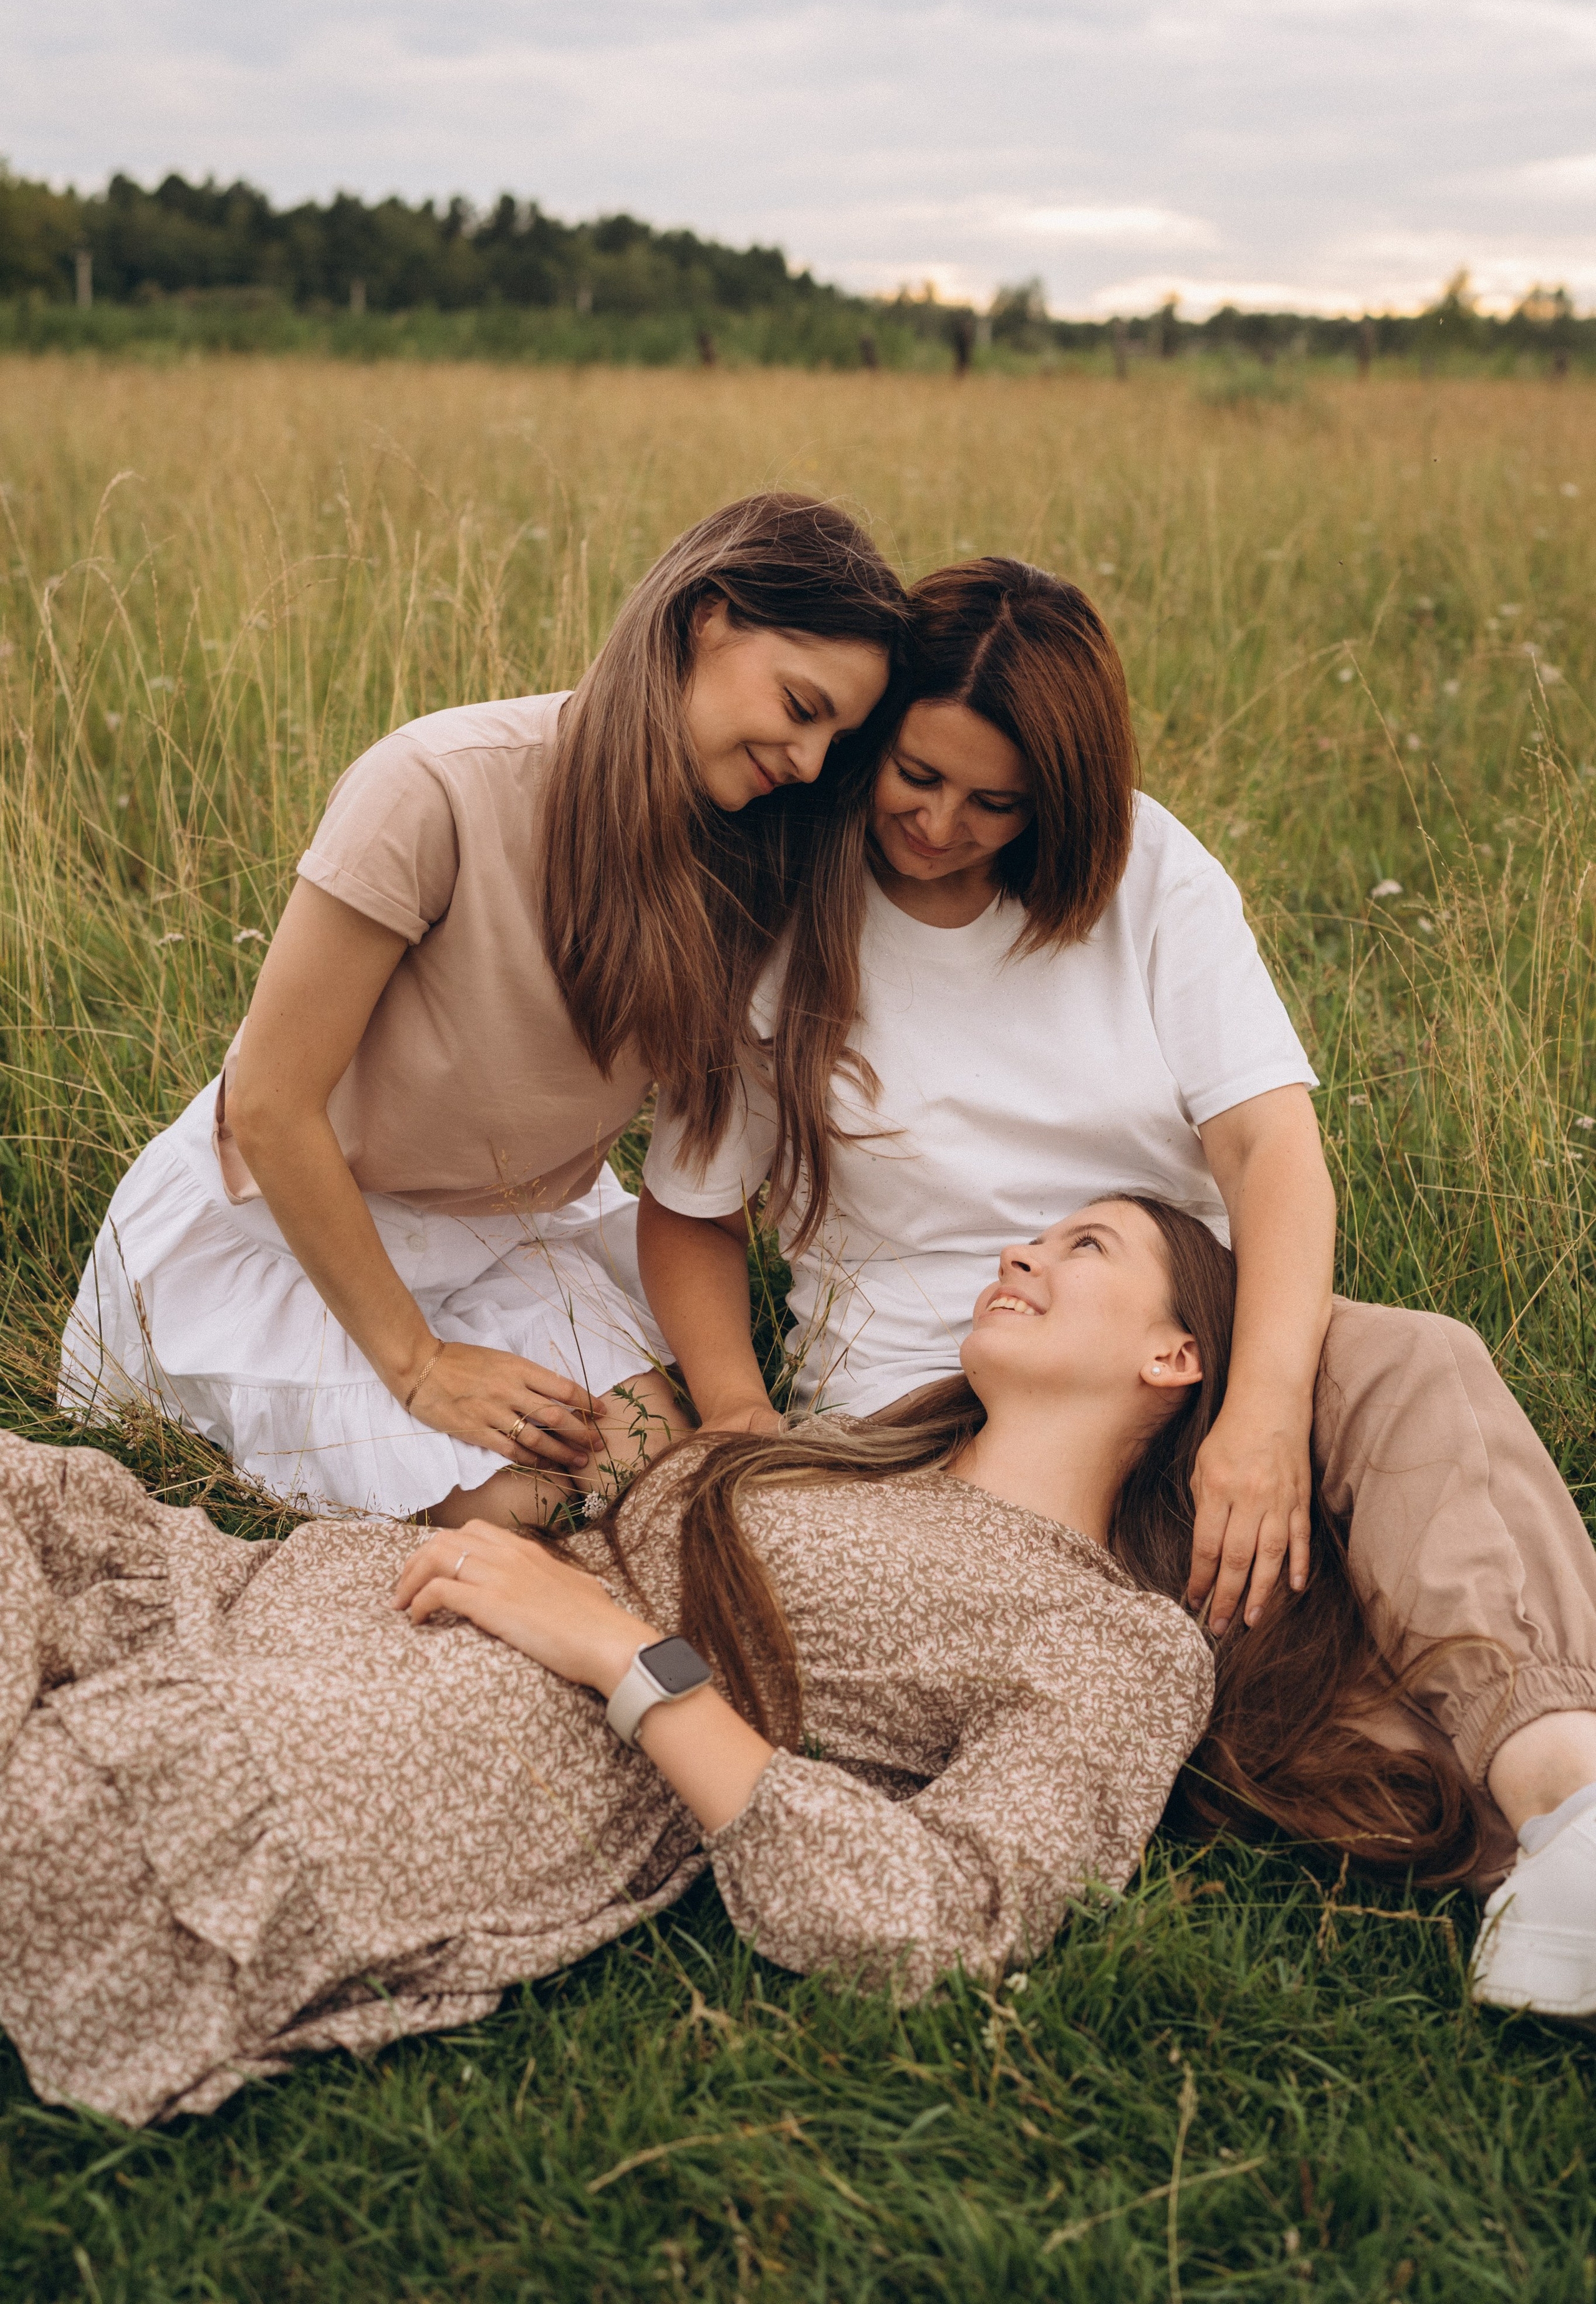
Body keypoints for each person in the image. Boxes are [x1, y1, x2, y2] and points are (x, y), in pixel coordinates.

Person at [637, 557, 1596, 2017]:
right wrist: (736, 1418)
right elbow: (689, 1212)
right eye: (914, 776)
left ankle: (1568, 1804)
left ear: (1059, 799)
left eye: (995, 802)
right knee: (1280, 1668)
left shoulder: (1146, 875)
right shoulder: (783, 902)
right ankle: (1513, 1828)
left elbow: (1271, 1150)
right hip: (936, 1390)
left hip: (1172, 1327)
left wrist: (1259, 1414)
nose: (938, 825)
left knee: (1413, 1367)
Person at [0, 1196, 1221, 2128]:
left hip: (505, 1738)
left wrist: (624, 1653)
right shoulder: (853, 1448)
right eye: (1033, 1237)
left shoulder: (1119, 1638)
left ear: (1174, 1354)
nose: (1019, 1254)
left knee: (62, 1801)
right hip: (381, 1596)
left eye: (1084, 1247)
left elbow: (939, 1920)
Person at [59, 494, 905, 1529]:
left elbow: (697, 1176)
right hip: (294, 1233)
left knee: (652, 1481)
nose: (810, 763)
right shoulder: (437, 786)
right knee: (527, 1507)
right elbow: (271, 1104)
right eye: (801, 706)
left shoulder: (748, 858)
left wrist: (735, 1402)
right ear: (705, 618)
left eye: (837, 740)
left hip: (507, 1236)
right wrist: (420, 1366)